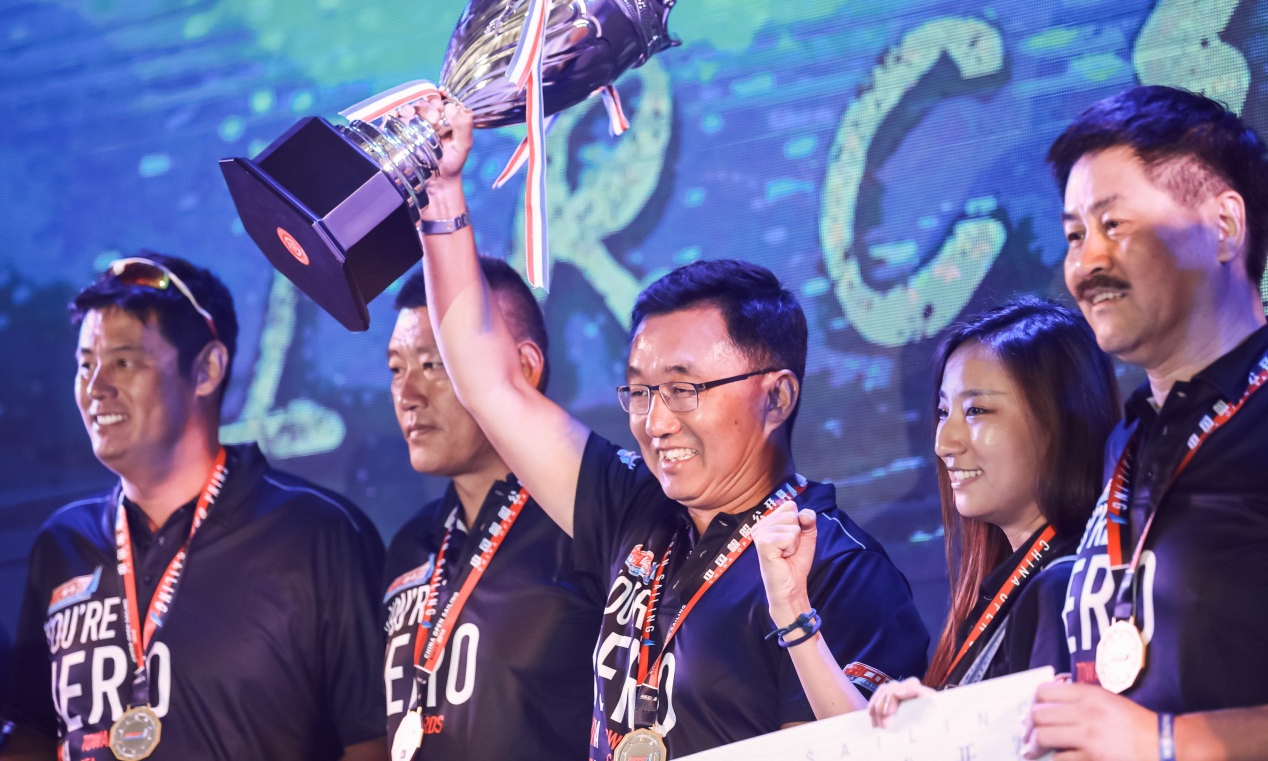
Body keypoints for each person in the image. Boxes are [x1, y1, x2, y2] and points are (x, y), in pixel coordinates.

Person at [403, 91, 928, 759]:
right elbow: (488, 382)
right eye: (641, 390)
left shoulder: (838, 569)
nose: (654, 421)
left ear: (777, 396)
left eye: (683, 389)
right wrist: (442, 192)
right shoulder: (634, 508)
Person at [1, 253, 388, 761]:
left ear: (207, 369)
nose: (96, 388)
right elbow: (31, 730)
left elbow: (372, 741)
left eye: (124, 362)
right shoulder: (63, 543)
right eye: (86, 364)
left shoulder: (317, 533)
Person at [1026, 85, 1268, 759]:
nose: (1087, 264)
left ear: (1224, 226)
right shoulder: (1129, 444)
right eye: (1075, 235)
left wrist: (1165, 741)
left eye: (1114, 224)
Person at [753, 297, 1119, 723]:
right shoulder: (1006, 588)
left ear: (1060, 422)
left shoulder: (1073, 587)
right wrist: (793, 609)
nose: (944, 443)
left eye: (976, 411)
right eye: (944, 412)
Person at [381, 263, 601, 761]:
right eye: (396, 369)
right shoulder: (410, 546)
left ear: (525, 368)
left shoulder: (588, 530)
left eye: (433, 364)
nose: (408, 395)